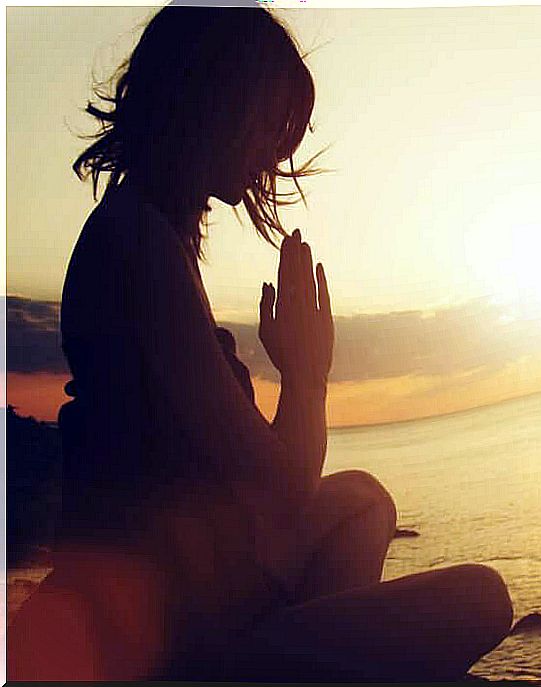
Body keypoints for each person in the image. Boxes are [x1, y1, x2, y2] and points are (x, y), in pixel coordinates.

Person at [7, 4, 512, 681]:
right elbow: (281, 491)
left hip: (201, 588)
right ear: (211, 100)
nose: (274, 152)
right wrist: (306, 376)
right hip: (173, 635)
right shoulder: (139, 243)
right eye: (267, 122)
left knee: (364, 499)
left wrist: (306, 377)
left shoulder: (147, 229)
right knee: (482, 597)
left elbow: (268, 490)